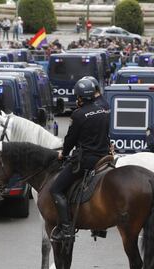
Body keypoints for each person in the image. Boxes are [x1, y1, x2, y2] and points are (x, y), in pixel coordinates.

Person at [49, 78, 110, 241]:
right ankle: (100, 227)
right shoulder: (103, 110)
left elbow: (71, 139)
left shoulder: (79, 114)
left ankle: (67, 229)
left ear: (80, 97)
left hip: (87, 160)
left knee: (55, 189)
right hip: (104, 158)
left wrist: (64, 153)